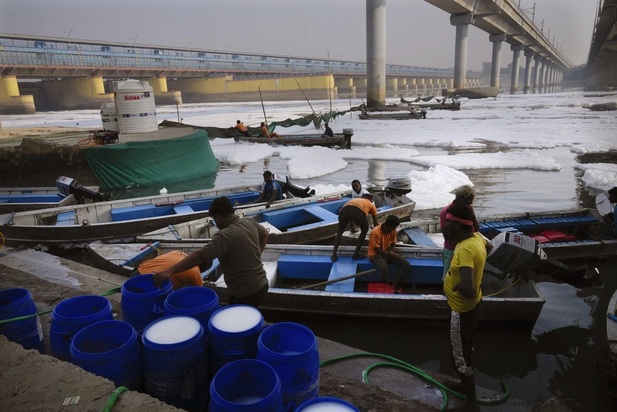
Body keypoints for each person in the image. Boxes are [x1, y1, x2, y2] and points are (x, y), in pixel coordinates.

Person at [153, 196, 270, 308]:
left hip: (245, 293)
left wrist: (169, 271)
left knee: (241, 324)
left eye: (214, 219)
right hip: (262, 284)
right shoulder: (249, 222)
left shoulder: (225, 235)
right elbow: (265, 234)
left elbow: (201, 255)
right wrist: (258, 253)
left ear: (218, 217)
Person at [442, 204, 492, 412]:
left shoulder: (464, 249)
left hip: (461, 310)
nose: (446, 226)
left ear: (460, 225)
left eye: (450, 223)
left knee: (460, 357)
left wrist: (454, 283)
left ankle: (472, 404)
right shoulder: (477, 238)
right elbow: (489, 249)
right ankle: (462, 385)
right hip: (473, 307)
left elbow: (468, 289)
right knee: (462, 349)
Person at [439, 185, 480, 280]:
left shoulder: (468, 208)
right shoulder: (445, 213)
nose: (472, 202)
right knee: (449, 278)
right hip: (452, 249)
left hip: (468, 247)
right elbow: (447, 237)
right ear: (461, 198)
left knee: (467, 277)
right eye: (469, 200)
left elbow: (476, 228)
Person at [331, 193, 379, 262]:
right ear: (371, 200)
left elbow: (351, 215)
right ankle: (355, 254)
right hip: (358, 211)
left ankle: (334, 254)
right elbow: (375, 224)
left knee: (340, 231)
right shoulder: (371, 204)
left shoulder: (354, 200)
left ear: (362, 197)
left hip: (344, 209)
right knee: (364, 230)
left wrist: (352, 229)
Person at [368, 215, 410, 292]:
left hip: (387, 253)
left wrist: (390, 253)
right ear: (391, 226)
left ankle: (394, 284)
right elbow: (376, 250)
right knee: (384, 268)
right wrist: (390, 255)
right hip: (376, 255)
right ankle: (385, 284)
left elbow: (393, 245)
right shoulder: (375, 232)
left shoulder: (393, 231)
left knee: (406, 264)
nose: (395, 229)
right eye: (395, 227)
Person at [132, 250, 204, 290]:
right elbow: (199, 294)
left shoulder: (178, 253)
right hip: (150, 284)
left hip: (135, 274)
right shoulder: (196, 273)